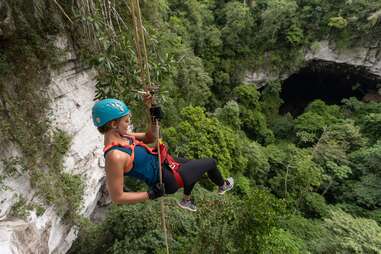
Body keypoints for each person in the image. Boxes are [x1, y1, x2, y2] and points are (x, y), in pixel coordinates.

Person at [92, 96, 234, 212]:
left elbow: (150, 137)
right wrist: (150, 194)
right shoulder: (115, 156)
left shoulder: (125, 136)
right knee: (210, 163)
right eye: (126, 121)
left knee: (193, 167)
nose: (129, 124)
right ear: (113, 124)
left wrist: (152, 115)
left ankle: (186, 200)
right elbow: (118, 197)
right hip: (167, 179)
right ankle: (223, 185)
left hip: (165, 162)